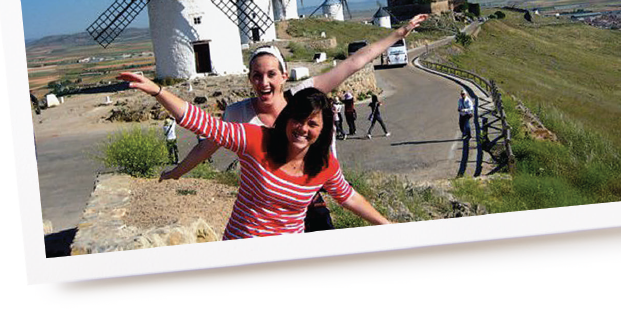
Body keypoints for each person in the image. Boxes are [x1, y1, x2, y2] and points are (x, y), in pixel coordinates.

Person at [160, 15, 427, 182]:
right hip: (263, 205)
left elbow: (355, 62)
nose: (263, 82)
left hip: (308, 196)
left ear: (284, 76)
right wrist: (176, 173)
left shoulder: (301, 95)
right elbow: (205, 147)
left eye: (271, 74)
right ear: (250, 78)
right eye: (256, 75)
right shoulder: (237, 113)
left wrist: (398, 34)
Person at [117, 75, 389, 238]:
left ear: (324, 129)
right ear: (286, 118)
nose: (303, 129)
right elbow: (204, 124)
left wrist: (389, 227)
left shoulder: (324, 165)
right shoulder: (256, 139)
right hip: (241, 250)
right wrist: (158, 90)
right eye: (298, 119)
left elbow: (348, 196)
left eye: (312, 124)